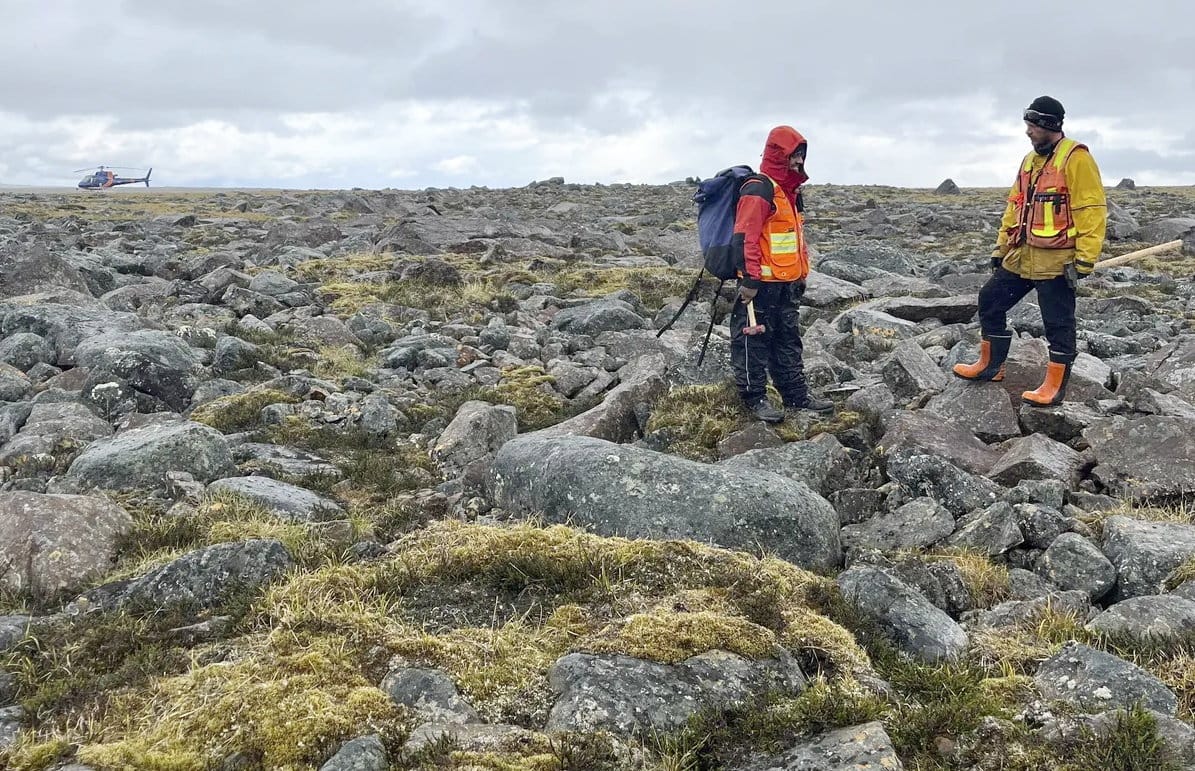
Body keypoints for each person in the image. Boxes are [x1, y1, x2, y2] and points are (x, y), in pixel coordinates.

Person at [952, 96, 1107, 406]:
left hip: (1057, 262)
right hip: (1021, 258)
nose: (1028, 131)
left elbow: (1092, 210)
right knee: (990, 301)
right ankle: (990, 366)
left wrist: (1085, 259)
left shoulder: (1076, 159)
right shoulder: (1029, 161)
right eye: (1028, 125)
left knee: (1058, 324)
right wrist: (1001, 247)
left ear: (1050, 125)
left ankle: (1054, 388)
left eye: (1033, 126)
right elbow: (1015, 207)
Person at [731, 125, 833, 423]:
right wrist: (749, 280)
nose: (798, 162)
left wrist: (802, 273)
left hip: (787, 283)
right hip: (759, 285)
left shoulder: (789, 193)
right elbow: (744, 237)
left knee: (787, 339)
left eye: (801, 156)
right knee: (752, 341)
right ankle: (754, 399)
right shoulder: (759, 188)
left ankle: (795, 395)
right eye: (793, 156)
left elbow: (796, 237)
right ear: (779, 155)